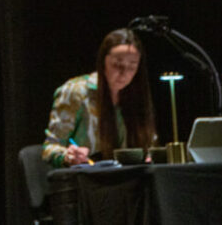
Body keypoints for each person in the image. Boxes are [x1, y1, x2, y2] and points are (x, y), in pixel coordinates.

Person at [42, 28, 157, 168]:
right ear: (103, 61)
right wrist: (69, 156)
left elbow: (150, 146)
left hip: (126, 179)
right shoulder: (76, 91)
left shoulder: (136, 97)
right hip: (85, 180)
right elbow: (50, 148)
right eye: (117, 64)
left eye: (132, 66)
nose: (124, 73)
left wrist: (150, 157)